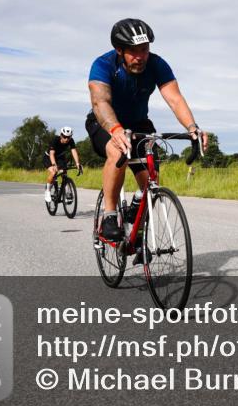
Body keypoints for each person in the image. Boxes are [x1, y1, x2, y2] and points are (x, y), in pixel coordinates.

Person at [86, 18, 207, 246]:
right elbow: (100, 101)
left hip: (139, 124)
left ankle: (136, 220)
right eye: (133, 51)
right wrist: (116, 129)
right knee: (117, 150)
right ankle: (110, 215)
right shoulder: (103, 65)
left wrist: (192, 127)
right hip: (105, 122)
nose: (140, 56)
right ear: (119, 50)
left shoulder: (156, 64)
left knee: (151, 178)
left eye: (144, 49)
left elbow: (174, 98)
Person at [44, 126, 82, 203]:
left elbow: (74, 151)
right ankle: (47, 191)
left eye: (68, 137)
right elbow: (52, 154)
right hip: (49, 157)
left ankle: (67, 193)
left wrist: (77, 163)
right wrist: (54, 165)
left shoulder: (71, 141)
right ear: (61, 135)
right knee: (54, 172)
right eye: (64, 137)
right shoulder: (55, 140)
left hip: (60, 158)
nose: (66, 139)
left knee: (64, 173)